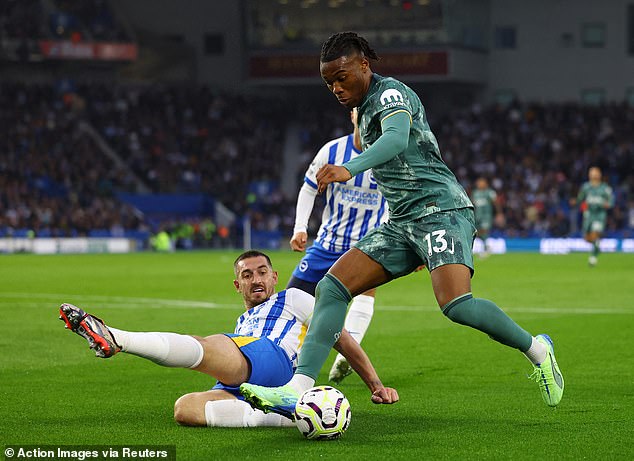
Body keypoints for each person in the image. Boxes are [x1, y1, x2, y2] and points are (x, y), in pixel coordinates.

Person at [240, 32, 564, 419]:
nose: (337, 88)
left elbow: (395, 140)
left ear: (364, 65)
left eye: (342, 77)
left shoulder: (392, 94)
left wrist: (349, 168)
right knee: (332, 287)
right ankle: (298, 388)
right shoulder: (362, 108)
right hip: (402, 220)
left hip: (440, 209)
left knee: (457, 305)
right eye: (329, 83)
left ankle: (538, 350)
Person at [59, 250, 398, 428]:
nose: (256, 280)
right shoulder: (243, 320)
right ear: (238, 285)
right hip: (246, 374)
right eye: (247, 275)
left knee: (206, 345)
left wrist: (376, 384)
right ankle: (283, 417)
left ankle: (117, 338)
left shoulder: (293, 298)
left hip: (277, 361)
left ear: (275, 276)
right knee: (186, 409)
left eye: (262, 272)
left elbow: (340, 337)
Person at [288, 107, 388, 383]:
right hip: (327, 242)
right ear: (353, 116)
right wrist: (300, 228)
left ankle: (347, 355)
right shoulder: (331, 151)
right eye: (362, 111)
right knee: (291, 298)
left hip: (366, 244)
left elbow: (397, 200)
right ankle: (285, 354)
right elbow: (309, 187)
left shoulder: (387, 156)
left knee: (366, 291)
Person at [571, 166, 614, 267]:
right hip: (588, 215)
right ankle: (597, 247)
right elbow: (580, 199)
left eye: (595, 172)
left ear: (599, 175)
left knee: (595, 234)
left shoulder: (605, 188)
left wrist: (607, 204)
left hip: (599, 215)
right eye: (591, 172)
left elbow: (611, 202)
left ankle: (593, 258)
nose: (593, 174)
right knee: (586, 238)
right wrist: (575, 202)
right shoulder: (585, 187)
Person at [471, 177, 498, 257]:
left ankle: (486, 249)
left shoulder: (490, 192)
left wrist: (498, 214)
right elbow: (472, 204)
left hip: (486, 216)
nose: (479, 184)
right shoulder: (475, 193)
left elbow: (496, 204)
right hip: (477, 216)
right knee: (477, 232)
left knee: (484, 230)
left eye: (481, 182)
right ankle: (485, 247)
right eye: (478, 183)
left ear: (485, 183)